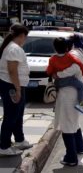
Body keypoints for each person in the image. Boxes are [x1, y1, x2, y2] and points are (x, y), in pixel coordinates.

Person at [53, 35, 83, 166]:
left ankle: (71, 157)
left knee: (67, 126)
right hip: (78, 93)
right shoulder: (81, 53)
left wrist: (56, 74)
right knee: (74, 122)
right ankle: (80, 148)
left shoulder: (72, 55)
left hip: (68, 95)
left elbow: (74, 68)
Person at [0, 24, 33, 156]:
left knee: (18, 114)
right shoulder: (14, 49)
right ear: (22, 36)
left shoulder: (12, 47)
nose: (25, 40)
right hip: (11, 85)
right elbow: (12, 71)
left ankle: (19, 140)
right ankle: (4, 145)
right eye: (26, 37)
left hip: (14, 84)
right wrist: (18, 90)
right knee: (11, 115)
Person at [47, 37, 83, 115]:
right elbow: (79, 64)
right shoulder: (69, 56)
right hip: (69, 80)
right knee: (81, 87)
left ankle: (55, 106)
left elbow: (49, 70)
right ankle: (81, 105)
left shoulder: (52, 59)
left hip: (58, 82)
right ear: (66, 47)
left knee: (56, 92)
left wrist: (52, 74)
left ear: (55, 48)